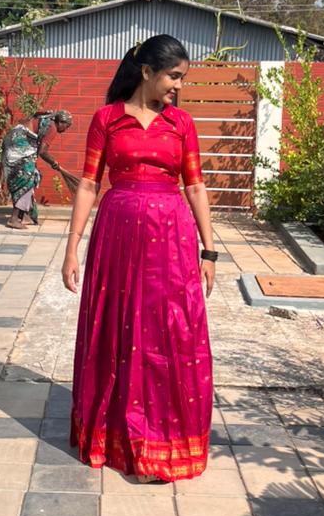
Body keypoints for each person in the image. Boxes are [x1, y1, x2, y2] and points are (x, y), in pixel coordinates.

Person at [62, 35, 217, 483]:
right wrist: (72, 247)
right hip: (117, 241)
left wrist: (209, 251)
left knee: (170, 334)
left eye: (182, 79)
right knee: (119, 330)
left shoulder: (181, 123)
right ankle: (120, 440)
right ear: (146, 72)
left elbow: (195, 186)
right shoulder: (107, 119)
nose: (179, 87)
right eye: (174, 76)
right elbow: (89, 184)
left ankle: (162, 444)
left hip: (171, 242)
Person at [1, 109, 74, 229]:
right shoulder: (52, 127)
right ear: (61, 122)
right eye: (66, 126)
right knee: (27, 178)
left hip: (12, 139)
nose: (66, 130)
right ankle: (14, 219)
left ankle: (25, 215)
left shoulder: (48, 118)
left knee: (31, 175)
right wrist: (54, 163)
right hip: (18, 144)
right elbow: (43, 152)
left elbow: (35, 113)